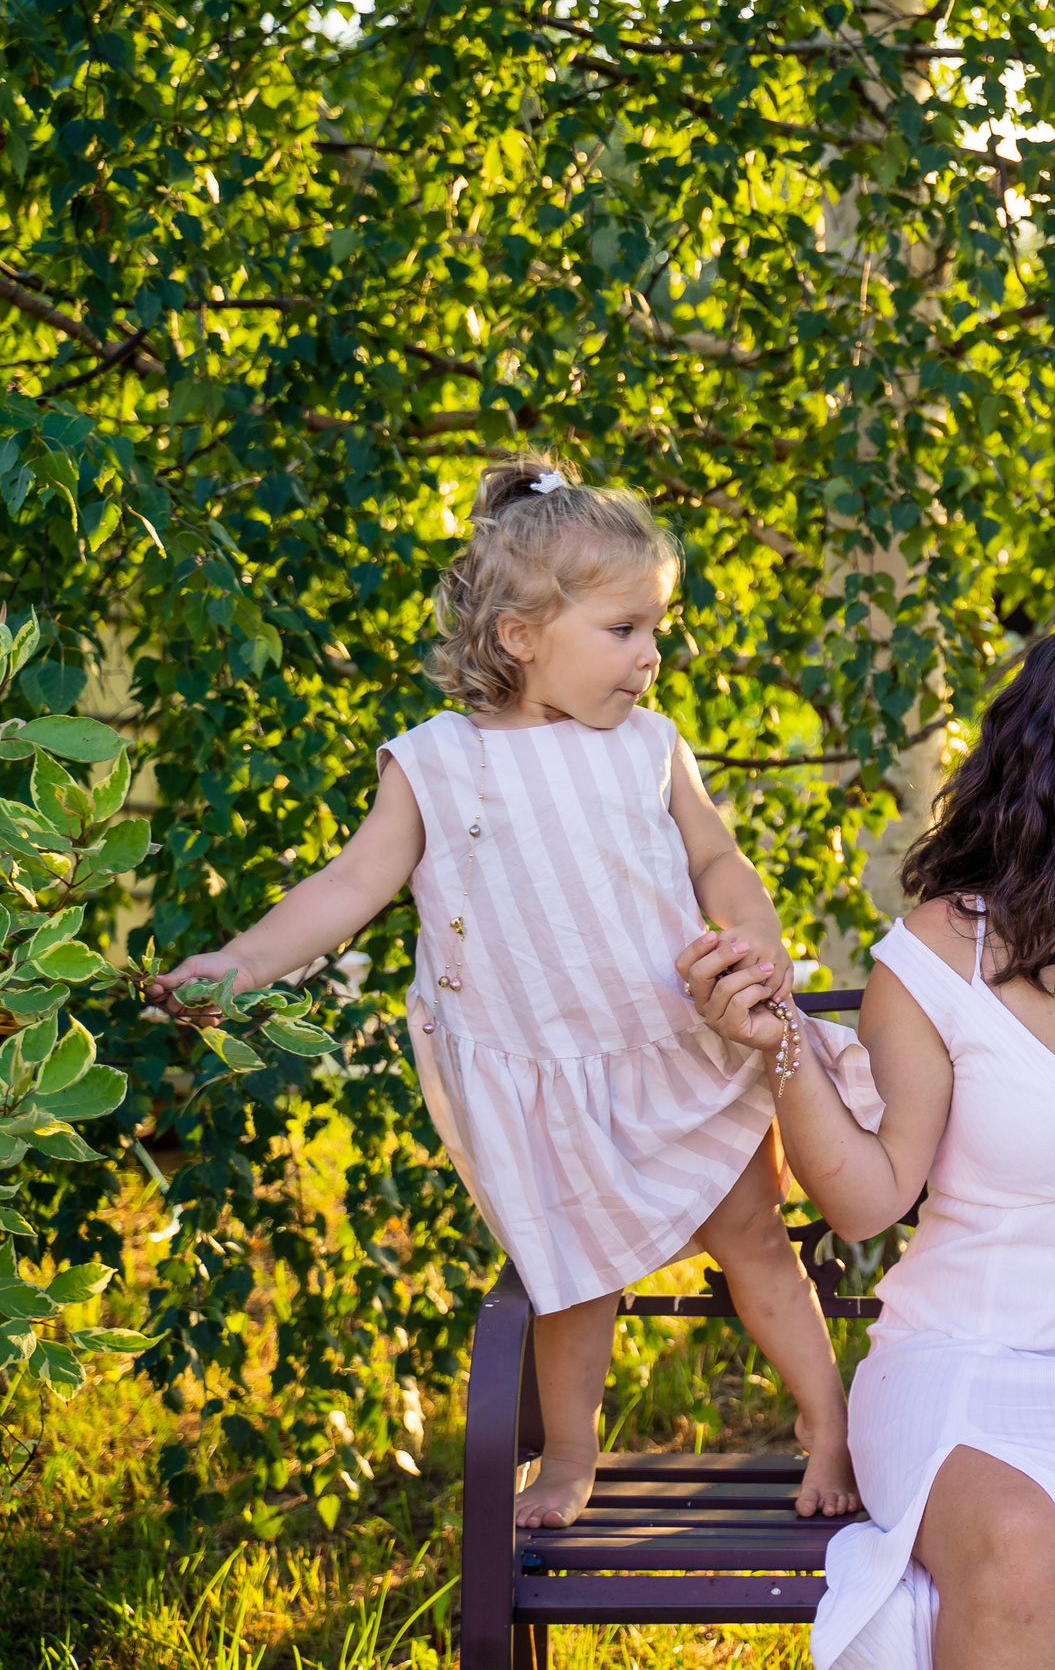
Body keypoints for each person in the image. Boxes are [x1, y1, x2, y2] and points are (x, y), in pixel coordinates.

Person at [148, 454, 860, 1526]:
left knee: (755, 1239)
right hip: (549, 1074)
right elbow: (350, 883)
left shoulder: (652, 749)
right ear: (521, 635)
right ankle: (571, 1456)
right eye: (624, 630)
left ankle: (828, 1421)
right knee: (573, 1272)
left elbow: (718, 862)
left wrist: (752, 935)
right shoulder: (438, 763)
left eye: (656, 630)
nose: (651, 657)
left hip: (679, 1049)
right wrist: (241, 965)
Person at [680, 613, 1055, 1670]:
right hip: (962, 1355)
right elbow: (869, 1202)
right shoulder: (937, 956)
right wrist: (780, 1047)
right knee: (1014, 1544)